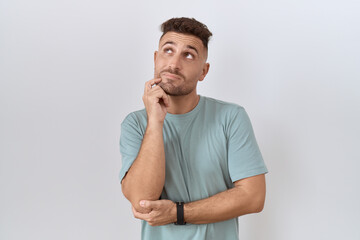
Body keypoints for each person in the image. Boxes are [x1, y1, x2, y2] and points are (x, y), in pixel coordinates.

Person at [119, 17, 268, 240]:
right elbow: (142, 200)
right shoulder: (135, 124)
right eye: (168, 50)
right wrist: (156, 122)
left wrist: (177, 213)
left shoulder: (231, 117)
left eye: (188, 55)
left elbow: (253, 197)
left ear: (203, 71)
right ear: (155, 58)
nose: (174, 64)